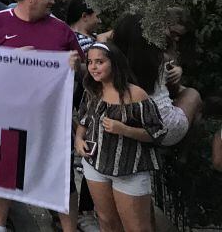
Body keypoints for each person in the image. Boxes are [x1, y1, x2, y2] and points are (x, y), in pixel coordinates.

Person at [0, 0, 83, 232]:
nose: (52, 2)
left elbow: (84, 71)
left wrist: (76, 66)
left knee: (62, 176)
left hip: (51, 120)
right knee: (6, 172)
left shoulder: (60, 29)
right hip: (8, 116)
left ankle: (69, 227)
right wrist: (9, 57)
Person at [75, 42, 165, 232]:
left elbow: (157, 132)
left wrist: (125, 129)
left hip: (130, 169)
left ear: (114, 63)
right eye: (90, 62)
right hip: (96, 165)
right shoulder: (92, 90)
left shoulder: (136, 95)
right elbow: (83, 120)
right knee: (106, 220)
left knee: (137, 227)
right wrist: (78, 140)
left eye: (99, 61)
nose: (93, 67)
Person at [113, 14, 201, 149]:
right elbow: (173, 90)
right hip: (162, 128)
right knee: (193, 95)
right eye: (171, 32)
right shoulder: (159, 59)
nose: (173, 37)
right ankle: (186, 150)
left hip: (131, 120)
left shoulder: (113, 60)